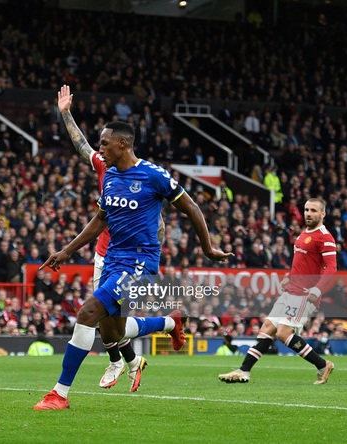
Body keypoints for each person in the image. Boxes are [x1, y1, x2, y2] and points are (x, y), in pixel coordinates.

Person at [34, 92, 232, 410]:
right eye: (99, 143)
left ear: (123, 144)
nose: (100, 149)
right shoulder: (110, 176)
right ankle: (171, 322)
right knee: (111, 329)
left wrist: (207, 248)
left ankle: (59, 394)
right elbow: (100, 220)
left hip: (141, 262)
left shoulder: (153, 176)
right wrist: (67, 250)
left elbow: (191, 206)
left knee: (86, 314)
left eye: (105, 143)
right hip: (114, 259)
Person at [56, 84, 170, 392]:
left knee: (98, 315)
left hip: (132, 259)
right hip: (104, 254)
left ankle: (116, 362)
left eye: (106, 144)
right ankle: (137, 355)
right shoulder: (104, 166)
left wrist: (151, 249)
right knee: (109, 323)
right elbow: (81, 146)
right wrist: (66, 114)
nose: (101, 150)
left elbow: (157, 222)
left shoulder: (142, 176)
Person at [219, 198, 337, 385]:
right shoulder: (304, 233)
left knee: (283, 333)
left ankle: (323, 365)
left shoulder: (325, 237)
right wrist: (289, 276)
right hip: (291, 291)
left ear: (323, 214)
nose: (308, 213)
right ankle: (244, 371)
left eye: (313, 210)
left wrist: (317, 288)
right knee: (267, 328)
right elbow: (301, 263)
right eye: (306, 209)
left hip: (304, 294)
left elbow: (331, 268)